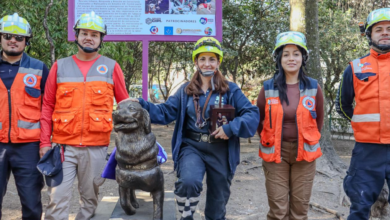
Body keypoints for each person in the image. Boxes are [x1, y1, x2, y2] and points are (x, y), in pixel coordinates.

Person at [125, 37, 259, 219]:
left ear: (218, 62)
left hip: (221, 149)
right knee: (188, 182)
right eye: (202, 59)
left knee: (217, 204)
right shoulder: (185, 90)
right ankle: (186, 217)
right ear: (196, 62)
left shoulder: (230, 90)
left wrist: (231, 128)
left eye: (212, 59)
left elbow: (252, 114)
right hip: (192, 146)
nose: (207, 64)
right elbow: (165, 112)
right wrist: (142, 105)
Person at [39, 11, 128, 220]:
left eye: (94, 34)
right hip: (63, 148)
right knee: (56, 198)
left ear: (101, 39)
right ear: (76, 36)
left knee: (89, 201)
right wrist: (45, 142)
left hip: (96, 148)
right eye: (84, 33)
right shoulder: (59, 66)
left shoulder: (112, 67)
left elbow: (125, 108)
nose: (89, 37)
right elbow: (47, 107)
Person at [257, 31, 324, 220]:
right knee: (278, 211)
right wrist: (272, 139)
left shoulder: (313, 87)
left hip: (305, 154)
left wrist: (306, 139)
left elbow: (318, 121)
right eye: (286, 54)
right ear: (278, 58)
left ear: (303, 57)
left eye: (296, 54)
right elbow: (259, 120)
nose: (291, 58)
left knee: (300, 210)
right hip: (275, 154)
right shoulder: (268, 88)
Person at [336, 8, 390, 220]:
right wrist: (362, 124)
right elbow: (343, 105)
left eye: (389, 29)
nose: (385, 33)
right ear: (369, 34)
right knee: (359, 206)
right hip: (367, 151)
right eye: (379, 29)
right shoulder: (355, 67)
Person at [0, 13, 49, 220]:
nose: (13, 40)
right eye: (8, 35)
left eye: (19, 37)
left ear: (26, 41)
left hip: (28, 147)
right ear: (1, 38)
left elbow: (48, 108)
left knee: (31, 203)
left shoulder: (39, 68)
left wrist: (46, 143)